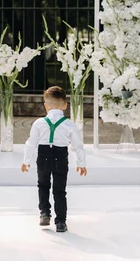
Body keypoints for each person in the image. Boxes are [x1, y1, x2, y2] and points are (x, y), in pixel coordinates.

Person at [21, 86, 87, 232]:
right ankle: (61, 222)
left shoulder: (39, 123)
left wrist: (26, 161)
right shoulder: (69, 124)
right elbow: (78, 145)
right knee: (60, 189)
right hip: (60, 156)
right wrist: (81, 163)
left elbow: (31, 143)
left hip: (43, 155)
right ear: (65, 105)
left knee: (43, 185)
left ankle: (44, 213)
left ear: (45, 106)